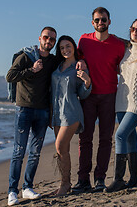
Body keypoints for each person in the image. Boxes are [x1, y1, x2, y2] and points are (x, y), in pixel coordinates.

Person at [72, 7, 125, 193]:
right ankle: (83, 179)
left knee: (105, 139)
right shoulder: (84, 40)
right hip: (88, 96)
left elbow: (124, 66)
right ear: (92, 22)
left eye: (103, 20)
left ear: (109, 21)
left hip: (109, 96)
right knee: (84, 139)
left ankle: (100, 178)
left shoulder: (119, 44)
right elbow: (75, 58)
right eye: (97, 20)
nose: (100, 23)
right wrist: (82, 61)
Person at [5, 27, 59, 206]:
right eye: (46, 38)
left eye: (52, 39)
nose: (49, 41)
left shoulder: (52, 60)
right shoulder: (26, 56)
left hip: (43, 112)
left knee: (35, 153)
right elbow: (10, 76)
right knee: (19, 152)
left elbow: (68, 60)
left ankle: (27, 187)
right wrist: (31, 70)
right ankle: (12, 191)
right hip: (24, 110)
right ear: (40, 38)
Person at [105, 18, 137, 192]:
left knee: (120, 135)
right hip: (121, 101)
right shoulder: (125, 50)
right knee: (130, 137)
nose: (135, 32)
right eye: (132, 29)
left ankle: (118, 179)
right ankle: (134, 178)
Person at [50, 35, 92, 196]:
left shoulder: (79, 67)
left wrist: (87, 82)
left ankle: (65, 183)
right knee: (63, 149)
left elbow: (83, 93)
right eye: (62, 48)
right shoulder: (58, 65)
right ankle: (65, 184)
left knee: (59, 146)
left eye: (68, 46)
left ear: (74, 47)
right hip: (56, 113)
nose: (65, 50)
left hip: (71, 111)